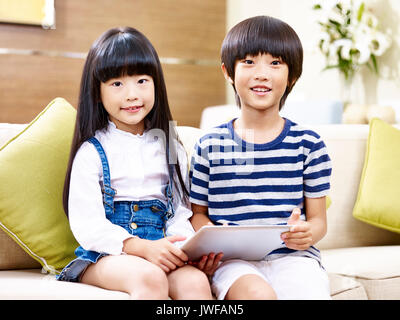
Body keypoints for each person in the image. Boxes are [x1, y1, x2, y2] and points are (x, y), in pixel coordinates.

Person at [57, 26, 212, 300]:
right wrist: (139, 247)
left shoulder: (171, 147)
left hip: (160, 247)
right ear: (97, 92)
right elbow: (88, 224)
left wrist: (181, 247)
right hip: (105, 254)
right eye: (117, 84)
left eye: (142, 81)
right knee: (149, 278)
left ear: (156, 84)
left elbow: (179, 213)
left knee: (196, 283)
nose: (131, 94)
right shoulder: (92, 151)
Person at [189, 16, 332, 300]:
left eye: (275, 63)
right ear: (228, 72)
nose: (262, 73)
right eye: (249, 62)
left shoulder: (309, 145)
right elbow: (198, 215)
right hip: (233, 264)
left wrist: (307, 233)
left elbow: (318, 221)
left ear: (292, 75)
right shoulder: (208, 145)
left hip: (295, 258)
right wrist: (211, 241)